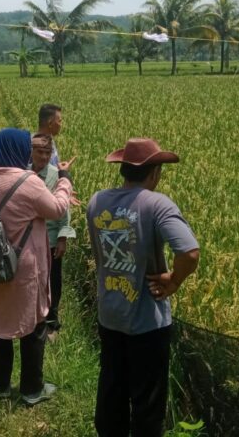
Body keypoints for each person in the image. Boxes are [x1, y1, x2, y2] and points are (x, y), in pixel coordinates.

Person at [87, 138, 200, 437]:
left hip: (109, 313)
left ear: (123, 169)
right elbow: (189, 252)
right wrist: (174, 280)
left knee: (111, 386)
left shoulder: (97, 201)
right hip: (148, 320)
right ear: (154, 173)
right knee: (147, 402)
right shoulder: (156, 203)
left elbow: (100, 253)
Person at [0, 128, 74, 406]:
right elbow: (58, 209)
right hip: (23, 271)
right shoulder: (29, 182)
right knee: (34, 326)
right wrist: (64, 179)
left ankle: (2, 389)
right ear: (17, 150)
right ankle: (31, 390)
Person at [30, 133, 75, 339]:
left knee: (53, 279)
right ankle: (32, 318)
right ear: (31, 152)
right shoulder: (24, 174)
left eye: (48, 152)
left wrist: (63, 237)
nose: (44, 156)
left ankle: (52, 322)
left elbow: (64, 208)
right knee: (32, 279)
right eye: (40, 151)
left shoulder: (57, 175)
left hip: (51, 236)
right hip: (29, 239)